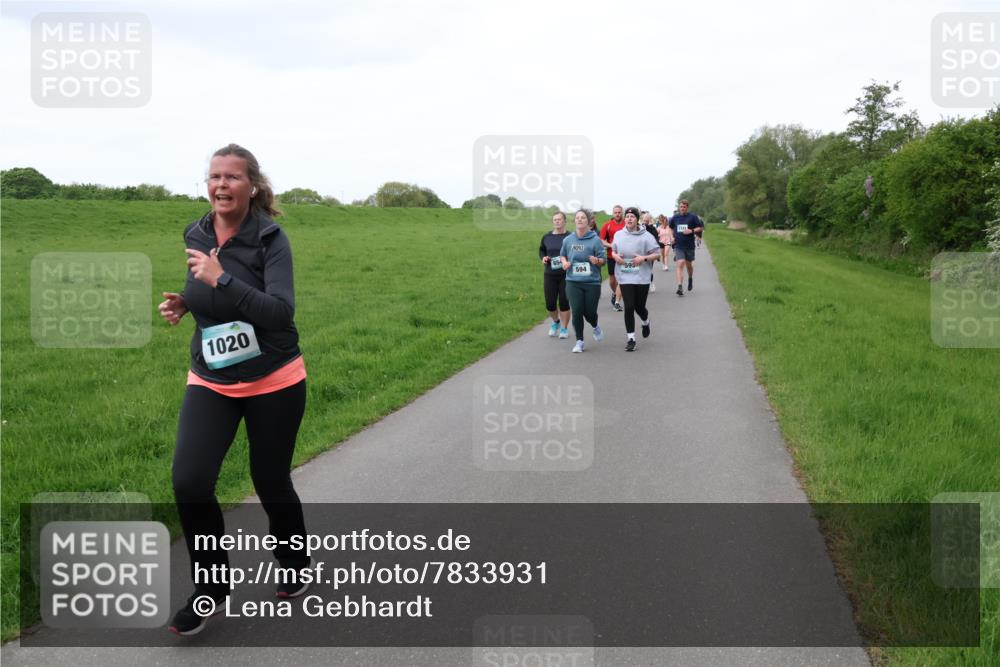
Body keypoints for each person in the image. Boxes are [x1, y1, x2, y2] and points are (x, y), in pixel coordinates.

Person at [159, 144, 311, 635]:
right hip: (211, 376)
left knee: (269, 479)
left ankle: (295, 562)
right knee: (189, 481)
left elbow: (278, 312)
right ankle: (211, 587)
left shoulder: (271, 238)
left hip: (273, 377)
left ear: (253, 187)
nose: (221, 185)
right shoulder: (197, 231)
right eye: (214, 177)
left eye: (232, 178)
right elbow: (205, 287)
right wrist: (187, 300)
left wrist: (221, 280)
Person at [611, 207, 660, 351]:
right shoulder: (619, 234)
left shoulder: (646, 236)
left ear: (637, 219)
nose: (629, 219)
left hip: (642, 276)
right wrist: (615, 256)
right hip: (625, 275)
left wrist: (643, 258)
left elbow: (657, 254)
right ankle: (631, 338)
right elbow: (613, 250)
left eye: (632, 216)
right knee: (629, 306)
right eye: (627, 216)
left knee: (639, 307)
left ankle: (645, 321)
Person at [559, 209, 606, 352]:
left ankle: (595, 326)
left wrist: (596, 260)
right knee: (577, 311)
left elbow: (603, 260)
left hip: (592, 282)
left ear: (589, 221)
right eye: (577, 218)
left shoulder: (595, 240)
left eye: (583, 218)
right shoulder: (568, 240)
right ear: (575, 221)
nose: (580, 220)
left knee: (590, 312)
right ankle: (579, 341)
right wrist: (564, 263)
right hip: (573, 281)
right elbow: (563, 255)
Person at [539, 211, 571, 339]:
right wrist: (544, 258)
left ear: (564, 221)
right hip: (550, 274)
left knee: (564, 303)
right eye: (555, 220)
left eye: (559, 219)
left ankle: (564, 328)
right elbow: (542, 250)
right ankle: (556, 322)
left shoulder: (570, 237)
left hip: (566, 274)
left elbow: (575, 251)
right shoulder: (547, 237)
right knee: (550, 304)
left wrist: (569, 261)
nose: (557, 221)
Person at [668, 199, 704, 296]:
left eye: (684, 207)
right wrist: (671, 237)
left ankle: (690, 278)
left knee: (689, 265)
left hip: (689, 246)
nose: (682, 208)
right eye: (681, 207)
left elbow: (700, 228)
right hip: (678, 245)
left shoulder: (692, 217)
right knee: (680, 263)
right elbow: (670, 228)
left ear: (687, 207)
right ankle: (680, 286)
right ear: (679, 207)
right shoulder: (675, 218)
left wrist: (691, 231)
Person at [599, 205, 626, 311]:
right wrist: (611, 245)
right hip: (611, 256)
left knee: (623, 279)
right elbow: (601, 240)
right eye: (616, 212)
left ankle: (617, 301)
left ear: (622, 213)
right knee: (612, 280)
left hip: (625, 257)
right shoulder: (608, 225)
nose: (617, 214)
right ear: (613, 213)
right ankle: (616, 293)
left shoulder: (627, 224)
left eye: (619, 212)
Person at [640, 212, 659, 292]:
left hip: (650, 253)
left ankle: (651, 282)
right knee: (639, 268)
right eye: (644, 220)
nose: (645, 222)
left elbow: (656, 240)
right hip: (640, 251)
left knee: (648, 269)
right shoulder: (638, 228)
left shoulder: (653, 229)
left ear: (649, 220)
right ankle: (641, 284)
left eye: (647, 220)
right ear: (641, 220)